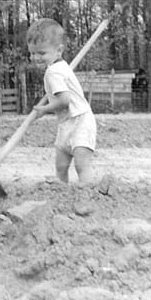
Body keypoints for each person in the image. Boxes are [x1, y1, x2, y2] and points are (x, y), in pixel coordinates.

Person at [26, 18, 96, 183]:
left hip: (80, 121)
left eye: (41, 53)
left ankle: (87, 193)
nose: (35, 57)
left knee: (81, 164)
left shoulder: (54, 73)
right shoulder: (58, 66)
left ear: (59, 50)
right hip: (66, 122)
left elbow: (64, 100)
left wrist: (44, 109)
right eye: (32, 53)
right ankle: (61, 193)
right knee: (61, 165)